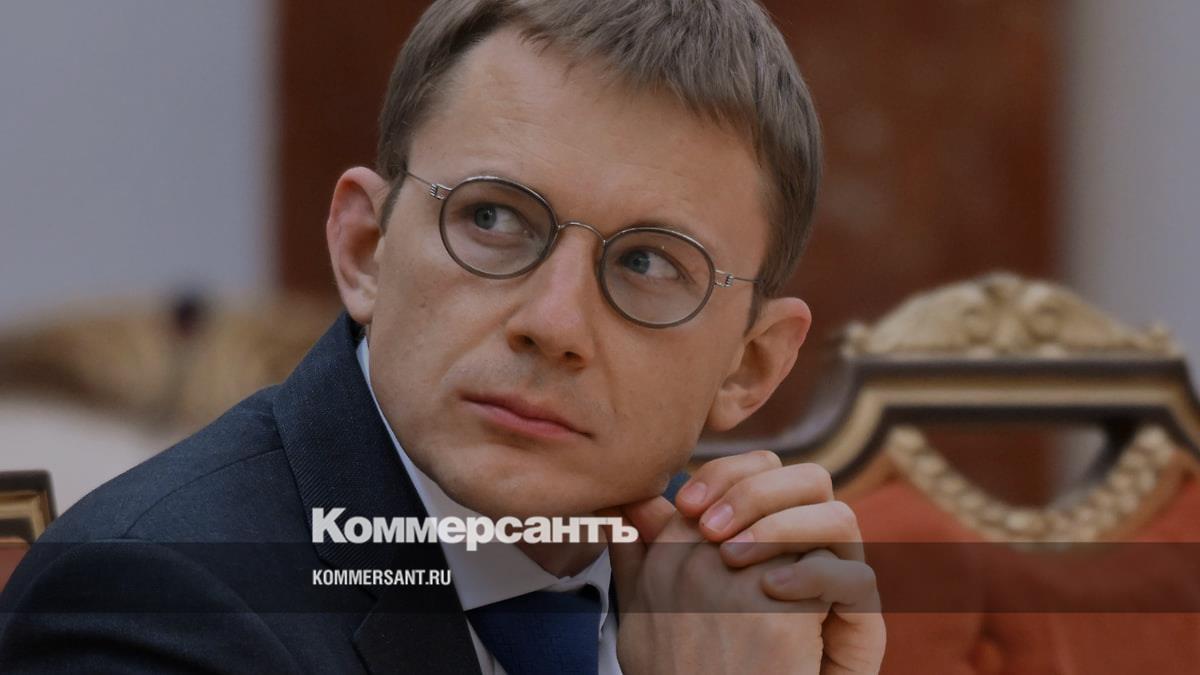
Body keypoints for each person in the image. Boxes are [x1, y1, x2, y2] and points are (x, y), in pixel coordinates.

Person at [0, 0, 885, 672]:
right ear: (365, 249)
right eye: (493, 218)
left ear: (749, 364)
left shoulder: (747, 600)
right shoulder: (149, 602)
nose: (553, 324)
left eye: (648, 263)